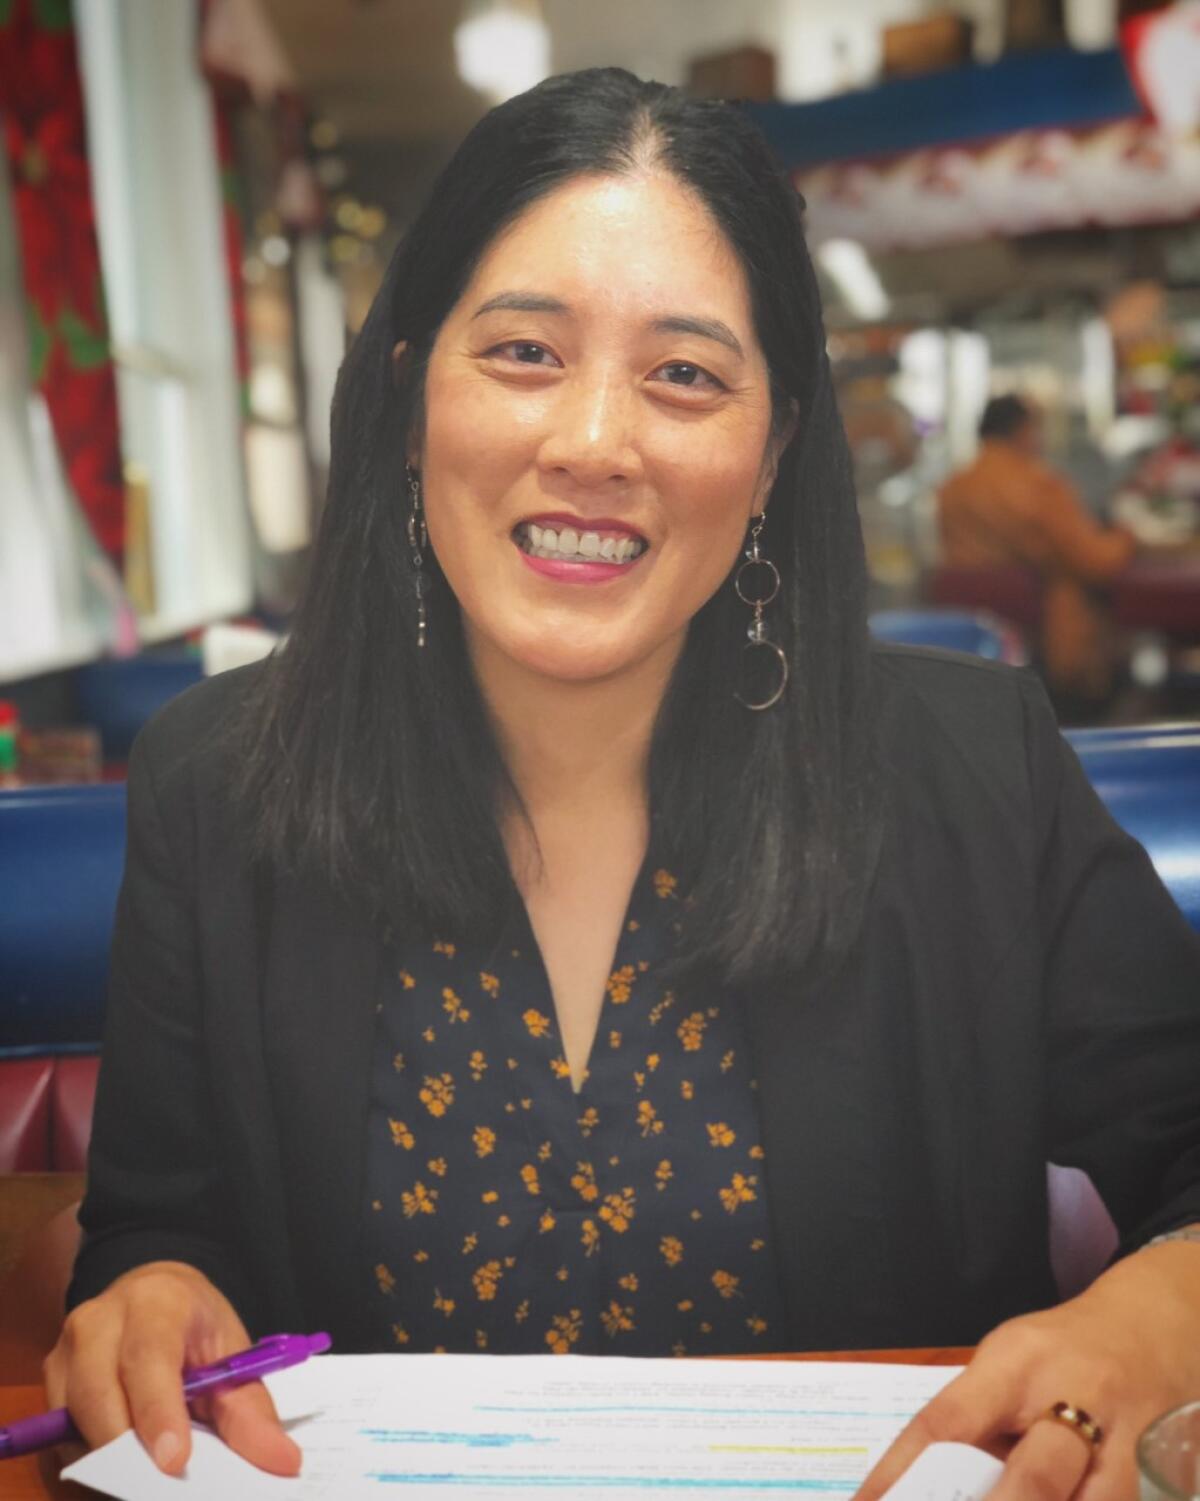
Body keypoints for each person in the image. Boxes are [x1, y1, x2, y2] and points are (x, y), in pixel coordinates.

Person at [46, 69, 1200, 1501]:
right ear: (408, 398)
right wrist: (154, 1291)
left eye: (686, 374)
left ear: (772, 453)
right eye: (525, 351)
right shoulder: (216, 784)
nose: (595, 442)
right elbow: (158, 1224)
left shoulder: (975, 770)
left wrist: (1172, 1304)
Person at [937, 395, 1137, 707]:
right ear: (1024, 431)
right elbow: (1095, 561)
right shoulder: (1038, 486)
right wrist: (1127, 536)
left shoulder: (951, 488)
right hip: (1046, 642)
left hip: (968, 645)